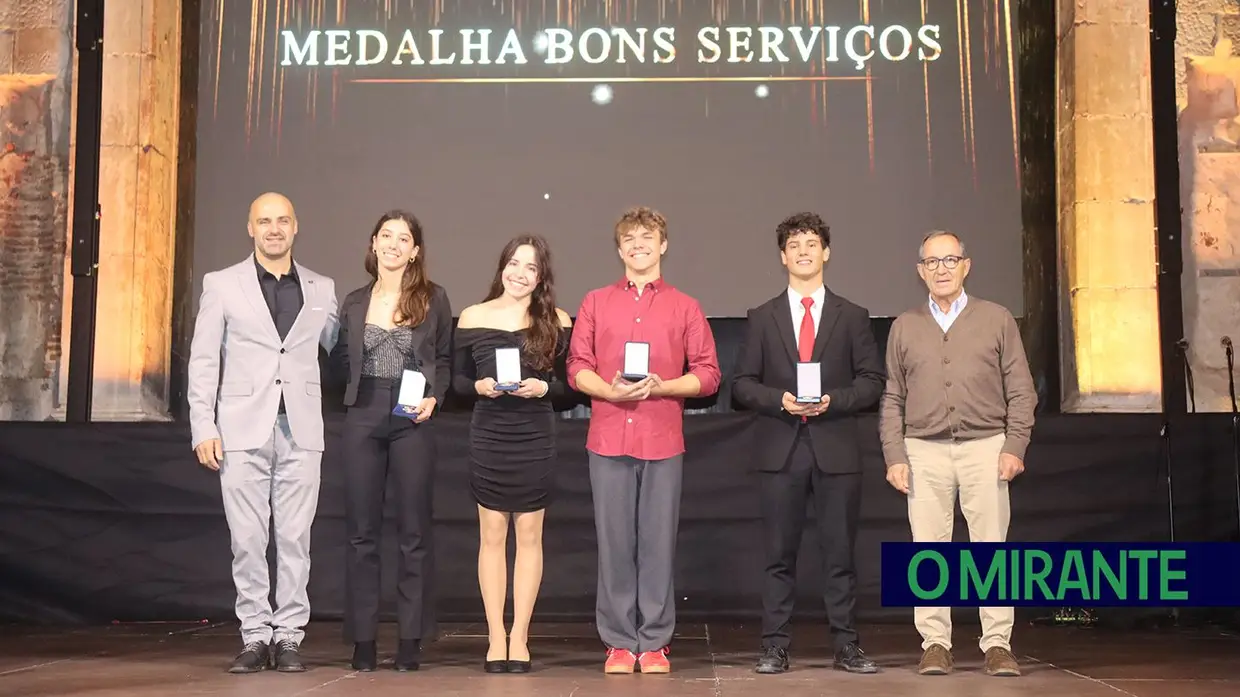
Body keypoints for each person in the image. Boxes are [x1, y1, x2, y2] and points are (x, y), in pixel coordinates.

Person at [188, 192, 340, 674]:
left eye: (282, 220)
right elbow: (204, 360)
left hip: (301, 428)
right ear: (250, 228)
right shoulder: (222, 284)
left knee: (295, 538)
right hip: (239, 429)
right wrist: (202, 425)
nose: (274, 229)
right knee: (248, 539)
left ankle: (289, 636)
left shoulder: (322, 288)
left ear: (296, 227)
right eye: (264, 221)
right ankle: (255, 634)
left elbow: (340, 348)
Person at [566, 206, 721, 675]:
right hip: (608, 438)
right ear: (619, 249)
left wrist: (664, 386)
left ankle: (653, 642)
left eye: (647, 237)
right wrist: (610, 391)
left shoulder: (685, 306)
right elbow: (577, 367)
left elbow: (709, 376)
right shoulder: (595, 301)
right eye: (630, 238)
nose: (638, 245)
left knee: (657, 544)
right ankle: (617, 642)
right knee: (614, 544)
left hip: (661, 438)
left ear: (663, 245)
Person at [731, 212, 884, 675]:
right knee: (779, 556)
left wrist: (833, 401)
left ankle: (847, 646)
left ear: (826, 252)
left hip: (836, 448)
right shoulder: (762, 317)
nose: (803, 251)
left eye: (811, 243)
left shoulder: (853, 316)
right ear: (782, 257)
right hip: (781, 450)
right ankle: (774, 646)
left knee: (840, 555)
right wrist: (779, 400)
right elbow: (741, 385)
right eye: (794, 244)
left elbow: (872, 382)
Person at [879, 230, 1036, 678]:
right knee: (928, 550)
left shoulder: (997, 318)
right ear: (920, 271)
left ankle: (998, 644)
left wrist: (1014, 444)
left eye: (950, 260)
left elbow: (1021, 390)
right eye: (932, 262)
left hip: (986, 447)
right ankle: (934, 643)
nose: (941, 269)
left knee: (992, 551)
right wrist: (895, 453)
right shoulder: (904, 326)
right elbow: (893, 397)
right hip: (922, 450)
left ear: (966, 265)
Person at [329, 210, 452, 672]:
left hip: (411, 414)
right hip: (362, 411)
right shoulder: (355, 300)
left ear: (415, 250)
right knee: (361, 531)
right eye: (386, 236)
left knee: (413, 531)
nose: (394, 245)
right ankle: (362, 640)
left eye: (404, 239)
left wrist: (435, 397)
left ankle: (410, 638)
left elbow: (442, 357)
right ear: (373, 243)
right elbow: (341, 359)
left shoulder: (433, 298)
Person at [452, 235, 574, 674]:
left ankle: (519, 636)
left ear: (541, 277)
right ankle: (494, 636)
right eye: (514, 264)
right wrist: (479, 387)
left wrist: (543, 387)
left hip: (534, 434)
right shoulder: (472, 316)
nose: (520, 274)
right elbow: (457, 384)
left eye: (531, 268)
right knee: (490, 536)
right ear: (502, 266)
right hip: (489, 433)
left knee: (529, 537)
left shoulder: (555, 319)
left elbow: (568, 386)